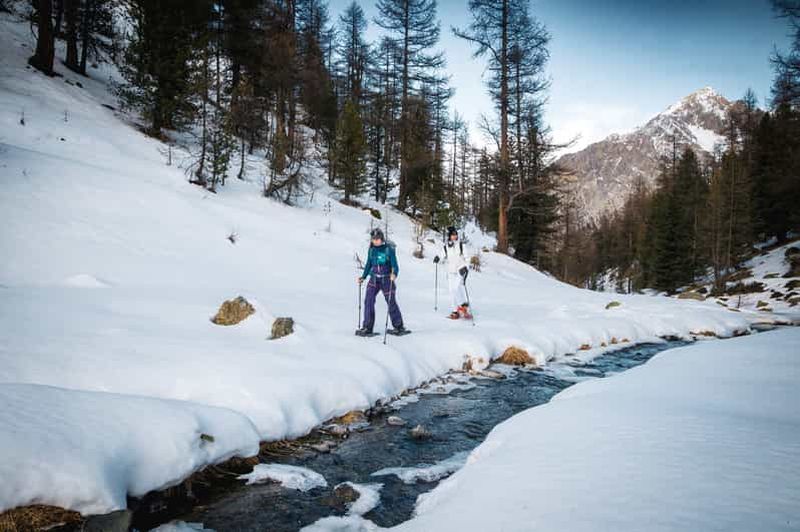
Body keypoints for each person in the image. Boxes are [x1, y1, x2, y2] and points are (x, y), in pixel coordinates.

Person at [356, 228, 407, 336]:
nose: (375, 241)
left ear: (382, 238)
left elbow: (395, 265)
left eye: (377, 239)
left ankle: (399, 326)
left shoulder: (388, 249)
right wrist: (363, 277)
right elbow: (369, 265)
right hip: (374, 279)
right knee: (368, 301)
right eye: (374, 239)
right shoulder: (371, 250)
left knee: (390, 301)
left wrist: (394, 274)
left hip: (387, 279)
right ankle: (367, 327)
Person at [434, 226, 472, 319]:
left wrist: (465, 267)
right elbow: (441, 256)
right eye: (453, 235)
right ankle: (455, 311)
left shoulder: (461, 246)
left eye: (456, 235)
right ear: (449, 236)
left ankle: (463, 305)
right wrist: (437, 258)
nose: (455, 237)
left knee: (456, 288)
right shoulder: (446, 247)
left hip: (460, 270)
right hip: (450, 271)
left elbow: (468, 258)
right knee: (451, 291)